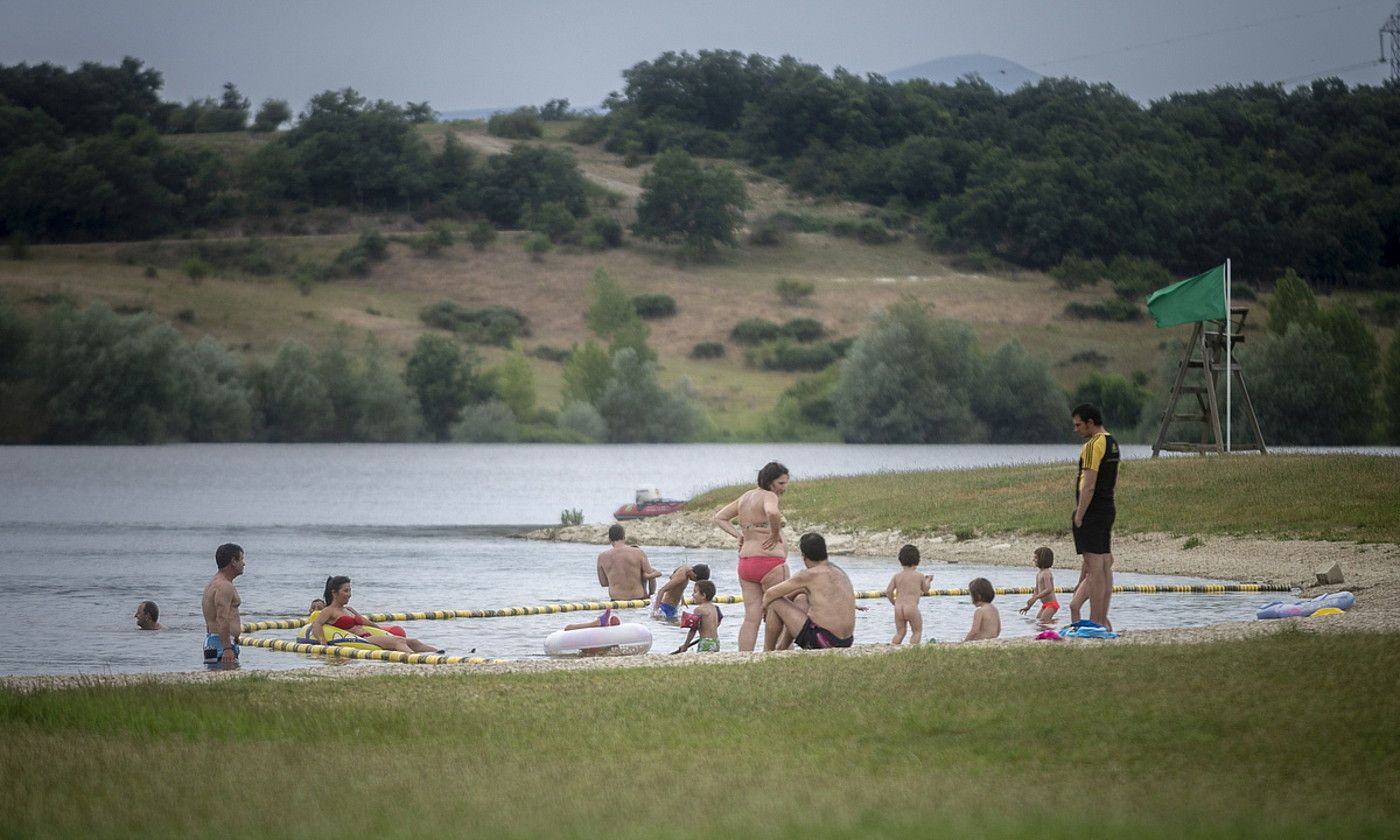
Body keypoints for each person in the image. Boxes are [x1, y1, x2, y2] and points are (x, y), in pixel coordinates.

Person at [713, 461, 791, 652]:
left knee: (751, 617)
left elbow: (720, 517)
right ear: (770, 482)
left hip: (746, 563)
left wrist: (738, 535)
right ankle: (781, 653)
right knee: (780, 611)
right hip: (769, 562)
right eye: (781, 483)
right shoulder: (769, 496)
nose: (784, 488)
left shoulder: (746, 497)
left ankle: (744, 657)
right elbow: (772, 512)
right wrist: (774, 534)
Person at [1069, 402, 1119, 631]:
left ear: (1090, 423)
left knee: (1094, 566)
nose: (1076, 429)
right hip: (1107, 506)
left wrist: (1079, 514)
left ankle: (1096, 621)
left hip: (1093, 509)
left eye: (1079, 425)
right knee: (1105, 563)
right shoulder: (1112, 443)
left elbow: (1088, 484)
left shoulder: (1093, 445)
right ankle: (1102, 618)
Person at [761, 533, 857, 651]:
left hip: (823, 640)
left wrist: (765, 608)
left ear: (804, 556)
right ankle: (782, 648)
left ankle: (767, 652)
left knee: (775, 602)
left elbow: (770, 594)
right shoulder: (838, 571)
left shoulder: (808, 575)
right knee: (801, 598)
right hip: (846, 641)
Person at [310, 576, 442, 654]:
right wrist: (323, 642)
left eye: (350, 590)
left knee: (414, 641)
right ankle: (416, 660)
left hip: (369, 636)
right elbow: (317, 623)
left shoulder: (349, 609)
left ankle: (438, 654)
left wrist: (384, 631)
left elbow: (367, 623)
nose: (349, 594)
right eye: (346, 591)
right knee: (398, 641)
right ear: (334, 593)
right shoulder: (329, 610)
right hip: (358, 639)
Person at [201, 543, 244, 668]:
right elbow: (221, 618)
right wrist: (227, 648)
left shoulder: (213, 583)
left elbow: (211, 618)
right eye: (241, 559)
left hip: (214, 640)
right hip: (221, 644)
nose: (244, 563)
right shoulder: (225, 586)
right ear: (233, 561)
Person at [597, 524, 661, 601]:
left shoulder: (602, 557)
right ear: (624, 537)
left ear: (610, 539)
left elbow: (604, 583)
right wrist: (651, 594)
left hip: (616, 602)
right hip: (638, 601)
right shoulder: (639, 553)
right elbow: (651, 577)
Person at [884, 544, 932, 645]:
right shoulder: (919, 576)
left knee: (900, 633)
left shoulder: (897, 576)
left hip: (898, 607)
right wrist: (928, 580)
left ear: (900, 560)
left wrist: (894, 602)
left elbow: (888, 591)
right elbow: (925, 589)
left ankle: (892, 648)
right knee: (917, 631)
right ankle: (913, 649)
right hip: (911, 607)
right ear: (917, 560)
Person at [674, 580, 724, 653]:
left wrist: (685, 645)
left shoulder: (699, 610)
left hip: (705, 642)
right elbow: (718, 623)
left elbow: (693, 630)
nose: (692, 594)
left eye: (695, 592)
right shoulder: (714, 608)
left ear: (703, 595)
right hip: (716, 641)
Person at [1018, 547, 1060, 624]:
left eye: (1036, 558)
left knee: (1043, 621)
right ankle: (1053, 625)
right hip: (1045, 605)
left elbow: (1048, 589)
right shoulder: (1039, 574)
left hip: (1051, 604)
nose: (1033, 560)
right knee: (1038, 620)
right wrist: (1029, 605)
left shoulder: (1046, 573)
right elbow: (1036, 591)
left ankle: (1056, 626)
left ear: (1043, 559)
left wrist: (1037, 597)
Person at [964, 577, 1001, 641]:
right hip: (993, 640)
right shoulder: (994, 609)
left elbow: (974, 631)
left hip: (981, 641)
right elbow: (998, 629)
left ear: (978, 596)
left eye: (972, 596)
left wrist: (965, 641)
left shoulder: (980, 611)